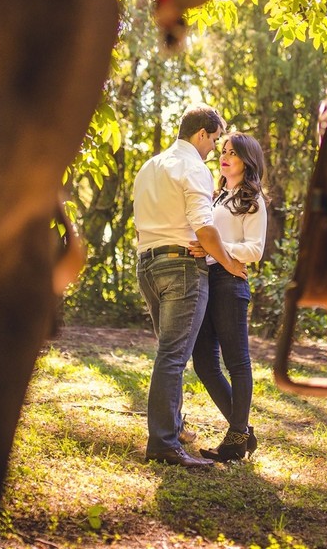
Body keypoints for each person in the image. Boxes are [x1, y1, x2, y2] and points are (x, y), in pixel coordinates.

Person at [133, 105, 247, 468]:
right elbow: (205, 229)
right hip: (181, 268)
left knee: (170, 353)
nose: (214, 148)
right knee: (174, 357)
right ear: (202, 133)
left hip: (147, 264)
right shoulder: (192, 166)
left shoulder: (150, 166)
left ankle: (174, 428)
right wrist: (229, 262)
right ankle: (164, 443)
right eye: (214, 140)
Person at [189, 132, 269, 462]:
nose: (224, 156)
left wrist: (218, 249)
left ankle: (236, 439)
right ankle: (243, 430)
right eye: (223, 151)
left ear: (246, 161)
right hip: (206, 279)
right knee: (204, 362)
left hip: (230, 283)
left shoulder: (252, 200)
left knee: (237, 362)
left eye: (232, 153)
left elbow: (255, 249)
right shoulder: (217, 196)